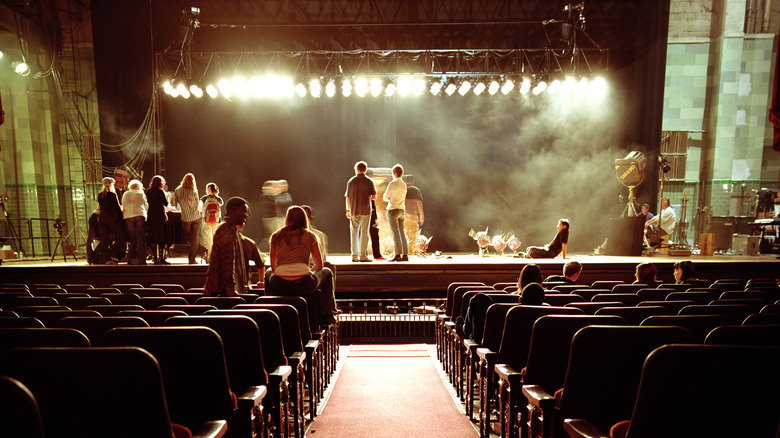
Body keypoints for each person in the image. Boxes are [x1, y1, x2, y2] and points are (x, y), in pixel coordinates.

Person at [264, 206, 338, 323]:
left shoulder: (276, 236)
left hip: (279, 284)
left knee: (267, 272)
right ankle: (327, 313)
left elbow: (273, 267)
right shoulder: (310, 235)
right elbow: (319, 265)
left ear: (287, 218)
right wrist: (308, 272)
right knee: (328, 272)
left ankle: (270, 310)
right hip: (304, 283)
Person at [204, 197, 251, 296]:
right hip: (222, 291)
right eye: (243, 211)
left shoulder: (230, 229)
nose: (246, 215)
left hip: (221, 289)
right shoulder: (226, 231)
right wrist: (230, 289)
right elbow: (227, 262)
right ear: (233, 210)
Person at [345, 161, 377, 262]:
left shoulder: (351, 181)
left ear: (356, 169)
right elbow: (374, 196)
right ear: (365, 169)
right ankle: (363, 255)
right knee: (364, 233)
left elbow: (348, 197)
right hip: (366, 210)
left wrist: (347, 210)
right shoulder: (369, 181)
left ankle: (354, 255)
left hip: (354, 210)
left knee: (354, 233)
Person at [97, 177, 126, 265]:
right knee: (122, 237)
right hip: (112, 220)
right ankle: (112, 253)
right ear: (112, 184)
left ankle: (107, 259)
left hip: (102, 220)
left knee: (104, 240)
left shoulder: (100, 194)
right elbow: (117, 208)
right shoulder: (112, 194)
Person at [174, 173, 202, 264]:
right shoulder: (194, 190)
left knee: (187, 238)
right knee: (195, 238)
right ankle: (192, 258)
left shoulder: (177, 190)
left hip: (186, 218)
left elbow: (175, 203)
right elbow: (198, 203)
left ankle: (192, 254)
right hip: (196, 216)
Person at [383, 164, 408, 262]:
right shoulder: (404, 184)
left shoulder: (392, 184)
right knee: (402, 232)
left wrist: (389, 197)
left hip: (393, 209)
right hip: (402, 209)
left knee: (395, 233)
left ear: (394, 173)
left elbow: (385, 197)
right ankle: (405, 255)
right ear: (402, 173)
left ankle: (397, 255)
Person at [121, 179, 148, 265]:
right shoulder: (141, 194)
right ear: (138, 187)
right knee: (140, 239)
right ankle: (141, 259)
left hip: (128, 217)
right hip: (140, 215)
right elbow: (146, 205)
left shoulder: (125, 194)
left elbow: (123, 204)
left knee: (133, 239)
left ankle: (130, 256)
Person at [146, 175, 170, 265]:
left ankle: (155, 258)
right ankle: (161, 258)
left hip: (151, 216)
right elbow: (166, 203)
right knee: (162, 237)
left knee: (153, 237)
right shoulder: (160, 191)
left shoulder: (148, 191)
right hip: (160, 216)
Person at [237, 224, 265, 289]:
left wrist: (261, 281)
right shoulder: (248, 243)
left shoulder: (248, 243)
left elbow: (260, 263)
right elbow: (260, 264)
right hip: (244, 287)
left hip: (243, 286)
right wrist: (261, 281)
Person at [201, 182, 223, 258]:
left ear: (209, 189)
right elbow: (220, 207)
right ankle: (216, 255)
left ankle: (209, 256)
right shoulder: (219, 199)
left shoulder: (204, 198)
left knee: (207, 239)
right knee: (216, 238)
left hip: (206, 221)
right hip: (216, 221)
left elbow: (200, 208)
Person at [404, 175, 425, 253]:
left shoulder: (403, 189)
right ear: (413, 182)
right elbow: (419, 203)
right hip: (413, 215)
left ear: (405, 181)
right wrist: (421, 216)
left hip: (404, 215)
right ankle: (410, 252)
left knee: (403, 234)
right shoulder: (416, 190)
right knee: (413, 235)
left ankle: (404, 251)